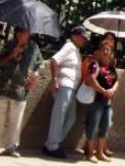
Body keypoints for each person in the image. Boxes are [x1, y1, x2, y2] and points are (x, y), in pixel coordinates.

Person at [0, 28, 42, 157]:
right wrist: (12, 55)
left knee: (16, 120)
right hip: (4, 87)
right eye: (24, 32)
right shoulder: (9, 45)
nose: (27, 34)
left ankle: (11, 147)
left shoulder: (34, 47)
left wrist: (36, 74)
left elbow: (39, 64)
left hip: (21, 89)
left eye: (28, 32)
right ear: (18, 33)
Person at [44, 26, 88, 159]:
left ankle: (51, 143)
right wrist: (55, 79)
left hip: (71, 88)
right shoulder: (68, 47)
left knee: (71, 118)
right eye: (82, 37)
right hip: (65, 86)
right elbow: (54, 60)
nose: (84, 40)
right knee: (60, 116)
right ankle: (52, 146)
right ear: (74, 36)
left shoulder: (75, 50)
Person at [84, 43, 119, 163]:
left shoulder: (111, 67)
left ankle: (100, 152)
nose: (105, 51)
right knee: (92, 127)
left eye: (108, 50)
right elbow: (90, 79)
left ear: (111, 53)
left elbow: (116, 81)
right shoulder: (95, 65)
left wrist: (112, 90)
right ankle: (89, 153)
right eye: (103, 49)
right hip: (96, 100)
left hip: (107, 102)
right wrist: (103, 91)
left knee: (105, 126)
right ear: (99, 51)